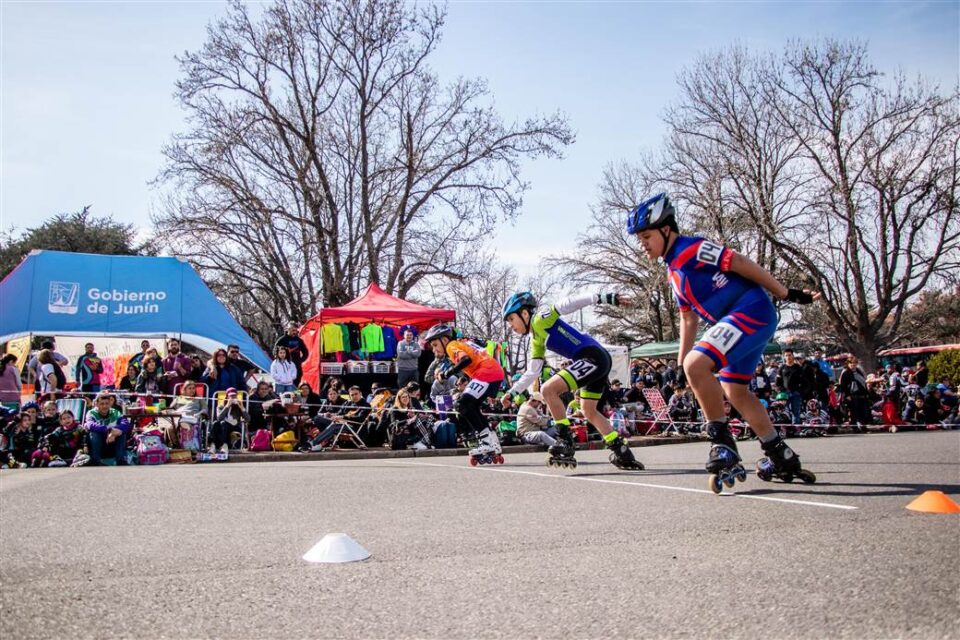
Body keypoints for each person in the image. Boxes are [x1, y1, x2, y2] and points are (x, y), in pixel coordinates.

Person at [628, 192, 818, 490]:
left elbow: (739, 261)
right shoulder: (673, 272)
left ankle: (722, 443)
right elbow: (688, 318)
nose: (643, 244)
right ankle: (778, 451)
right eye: (640, 239)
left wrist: (785, 293)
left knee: (698, 364)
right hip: (742, 320)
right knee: (736, 391)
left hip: (750, 310)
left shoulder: (690, 250)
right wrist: (679, 365)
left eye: (647, 236)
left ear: (666, 230)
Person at [501, 292, 643, 470]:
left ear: (524, 314)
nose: (511, 326)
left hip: (592, 357)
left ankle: (565, 440)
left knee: (547, 390)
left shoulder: (539, 320)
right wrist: (512, 392)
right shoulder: (536, 339)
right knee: (588, 410)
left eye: (511, 319)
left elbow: (567, 303)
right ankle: (621, 450)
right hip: (597, 359)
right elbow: (532, 371)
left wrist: (605, 298)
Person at [424, 324, 504, 463]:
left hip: (486, 372)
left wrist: (448, 373)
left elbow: (466, 360)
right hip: (493, 371)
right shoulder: (461, 343)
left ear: (444, 339)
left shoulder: (451, 346)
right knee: (472, 406)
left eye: (435, 344)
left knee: (462, 404)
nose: (434, 349)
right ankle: (492, 441)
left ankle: (486, 443)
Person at [83, 393, 132, 466]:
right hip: (98, 443)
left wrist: (115, 432)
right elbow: (90, 425)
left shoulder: (115, 412)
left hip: (112, 441)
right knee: (94, 433)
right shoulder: (91, 413)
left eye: (107, 403)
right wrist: (109, 430)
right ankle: (96, 460)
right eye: (102, 404)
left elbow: (126, 424)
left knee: (121, 432)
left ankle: (121, 460)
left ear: (110, 404)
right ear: (97, 404)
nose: (104, 406)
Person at [209, 388, 248, 454]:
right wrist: (227, 406)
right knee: (216, 423)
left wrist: (242, 408)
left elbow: (248, 419)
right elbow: (219, 418)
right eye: (231, 396)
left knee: (223, 423)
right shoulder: (221, 406)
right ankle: (213, 445)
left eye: (234, 396)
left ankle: (224, 446)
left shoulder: (239, 406)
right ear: (227, 396)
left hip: (235, 426)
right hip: (223, 426)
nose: (233, 398)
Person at [838, 357, 871, 430]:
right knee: (854, 413)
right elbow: (843, 386)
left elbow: (863, 382)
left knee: (863, 411)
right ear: (848, 364)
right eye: (851, 363)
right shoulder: (846, 373)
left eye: (855, 363)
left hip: (862, 395)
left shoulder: (859, 372)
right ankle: (855, 427)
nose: (853, 365)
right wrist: (847, 395)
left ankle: (863, 426)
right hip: (852, 395)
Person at [776, 350, 806, 424]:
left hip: (796, 393)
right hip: (784, 394)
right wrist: (780, 390)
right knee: (783, 411)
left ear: (793, 356)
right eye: (786, 355)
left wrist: (800, 391)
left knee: (796, 412)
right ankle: (784, 429)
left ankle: (796, 429)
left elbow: (804, 381)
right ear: (784, 357)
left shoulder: (798, 367)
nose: (788, 357)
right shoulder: (782, 367)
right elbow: (778, 381)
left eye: (790, 355)